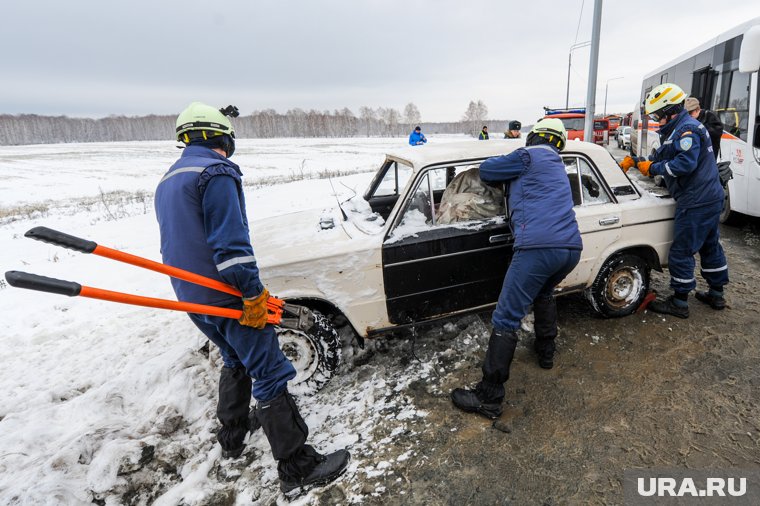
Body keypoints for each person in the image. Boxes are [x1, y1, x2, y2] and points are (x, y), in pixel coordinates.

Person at [154, 102, 349, 498]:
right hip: (226, 294)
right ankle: (298, 467)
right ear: (217, 135)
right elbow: (232, 248)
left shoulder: (170, 178)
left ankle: (233, 434)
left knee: (234, 357)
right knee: (270, 370)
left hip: (191, 294)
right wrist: (252, 294)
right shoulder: (216, 172)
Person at [451, 118, 582, 419]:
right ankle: (546, 353)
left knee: (506, 316)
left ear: (534, 137)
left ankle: (489, 397)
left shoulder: (527, 156)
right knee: (545, 293)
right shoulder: (556, 165)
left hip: (537, 248)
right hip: (571, 248)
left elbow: (486, 170)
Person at [620, 83, 729, 318]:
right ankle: (716, 294)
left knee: (681, 251)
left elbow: (684, 164)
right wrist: (637, 161)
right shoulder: (677, 129)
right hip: (710, 198)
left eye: (658, 115)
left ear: (670, 110)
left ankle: (679, 302)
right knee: (710, 245)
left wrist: (654, 168)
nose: (657, 120)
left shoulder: (686, 130)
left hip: (696, 201)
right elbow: (660, 156)